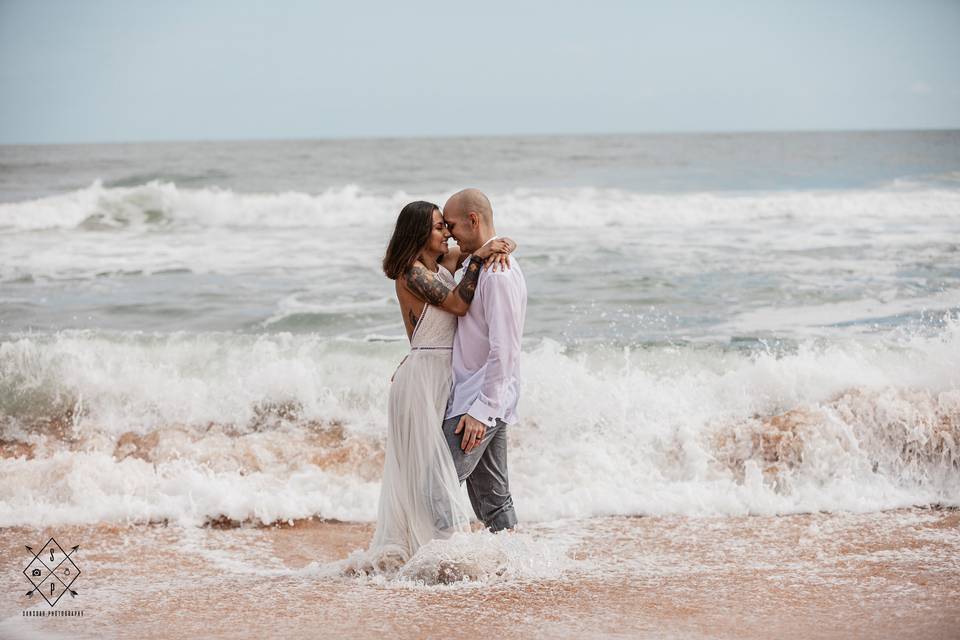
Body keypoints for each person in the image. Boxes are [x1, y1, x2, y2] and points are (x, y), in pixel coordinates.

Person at [358, 199, 517, 572]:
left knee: (436, 469)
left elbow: (480, 242)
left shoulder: (439, 265)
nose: (446, 232)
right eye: (437, 227)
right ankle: (438, 558)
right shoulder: (411, 273)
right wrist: (479, 259)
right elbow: (458, 305)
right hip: (423, 379)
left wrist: (505, 245)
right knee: (430, 471)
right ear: (418, 234)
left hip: (444, 374)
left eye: (447, 226)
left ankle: (442, 555)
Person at [441, 188, 527, 533]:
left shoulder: (499, 275)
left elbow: (505, 349)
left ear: (473, 220)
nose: (448, 235)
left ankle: (437, 569)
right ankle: (516, 567)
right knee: (493, 500)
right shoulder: (480, 263)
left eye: (452, 226)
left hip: (478, 404)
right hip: (480, 398)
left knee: (436, 485)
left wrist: (482, 410)